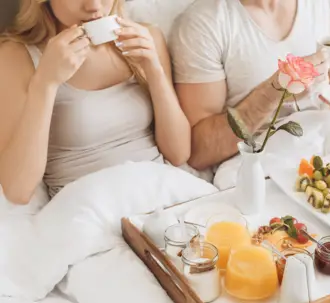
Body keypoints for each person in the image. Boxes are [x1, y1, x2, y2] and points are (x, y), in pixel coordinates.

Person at [0, 0, 191, 204]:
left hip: (160, 193)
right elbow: (17, 190)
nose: (93, 6)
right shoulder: (16, 57)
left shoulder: (146, 38)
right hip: (89, 205)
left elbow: (179, 154)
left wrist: (154, 71)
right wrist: (45, 83)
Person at [169, 0, 330, 172]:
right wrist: (272, 93)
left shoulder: (326, 4)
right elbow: (200, 151)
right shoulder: (205, 24)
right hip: (261, 160)